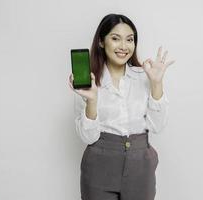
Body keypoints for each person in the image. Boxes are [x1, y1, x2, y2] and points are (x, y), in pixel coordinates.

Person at [68, 13, 174, 200]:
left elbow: (157, 126)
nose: (124, 46)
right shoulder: (90, 83)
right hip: (99, 165)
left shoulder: (145, 76)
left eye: (130, 40)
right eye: (115, 38)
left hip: (140, 164)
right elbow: (88, 136)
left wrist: (156, 83)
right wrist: (92, 100)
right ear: (101, 41)